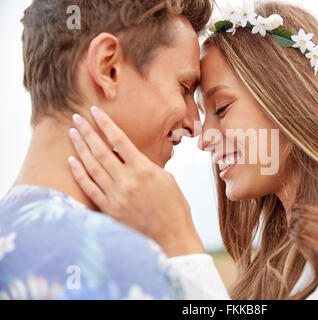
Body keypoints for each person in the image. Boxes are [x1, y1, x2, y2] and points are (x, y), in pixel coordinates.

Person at [66, 1, 318, 300]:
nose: (204, 137)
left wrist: (178, 240)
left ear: (288, 101)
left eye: (221, 108)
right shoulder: (266, 271)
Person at [0, 0, 215, 299]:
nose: (195, 125)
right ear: (108, 67)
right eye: (185, 88)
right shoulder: (123, 266)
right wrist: (183, 246)